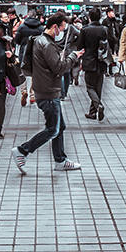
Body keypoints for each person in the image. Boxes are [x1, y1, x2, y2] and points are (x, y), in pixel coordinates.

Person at [11, 12, 82, 175]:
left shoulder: (40, 40)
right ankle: (22, 151)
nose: (63, 32)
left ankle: (60, 160)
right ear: (55, 27)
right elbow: (58, 67)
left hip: (46, 89)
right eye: (63, 28)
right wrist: (73, 57)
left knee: (60, 126)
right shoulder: (47, 44)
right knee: (52, 129)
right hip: (49, 92)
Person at [76, 7, 108, 120]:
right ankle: (93, 112)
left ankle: (98, 106)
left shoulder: (85, 30)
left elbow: (80, 46)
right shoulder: (104, 29)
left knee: (90, 87)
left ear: (89, 17)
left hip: (89, 62)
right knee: (98, 87)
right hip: (101, 62)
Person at [14, 10, 44, 106]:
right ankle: (32, 95)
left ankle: (23, 91)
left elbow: (17, 40)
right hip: (36, 53)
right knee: (34, 74)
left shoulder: (22, 27)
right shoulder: (41, 28)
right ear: (36, 16)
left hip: (24, 52)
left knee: (23, 72)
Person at [102, 8, 121, 76]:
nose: (113, 13)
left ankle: (110, 71)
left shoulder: (115, 21)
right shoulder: (105, 21)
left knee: (112, 56)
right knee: (107, 56)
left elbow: (117, 30)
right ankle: (105, 71)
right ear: (108, 13)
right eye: (111, 12)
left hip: (114, 41)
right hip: (107, 41)